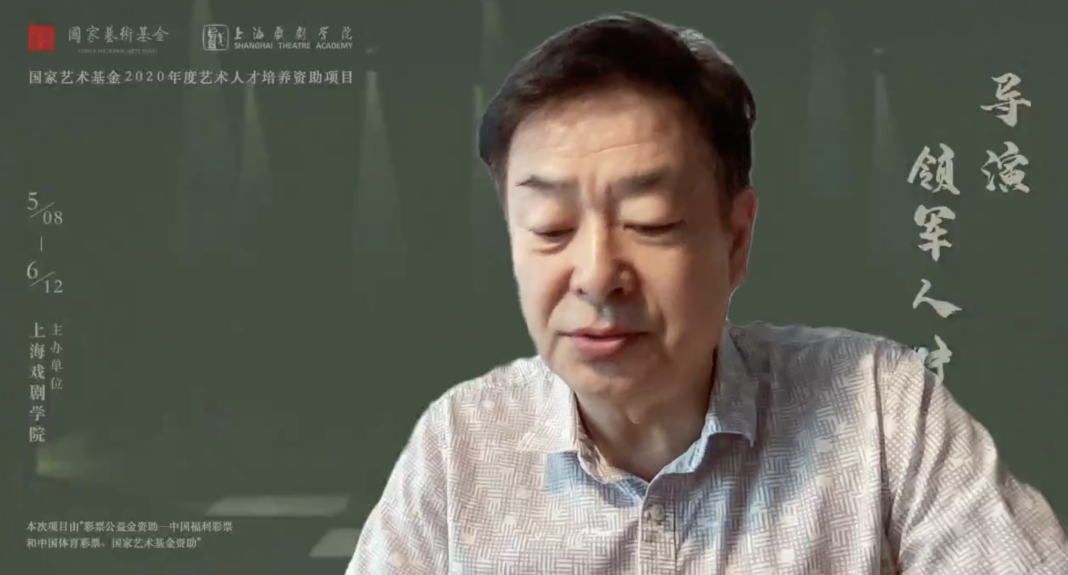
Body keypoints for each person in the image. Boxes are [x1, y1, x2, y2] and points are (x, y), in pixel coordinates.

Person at [347, 12, 1066, 574]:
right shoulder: (461, 446)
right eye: (550, 227)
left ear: (736, 239)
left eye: (651, 222)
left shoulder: (879, 410)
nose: (596, 274)